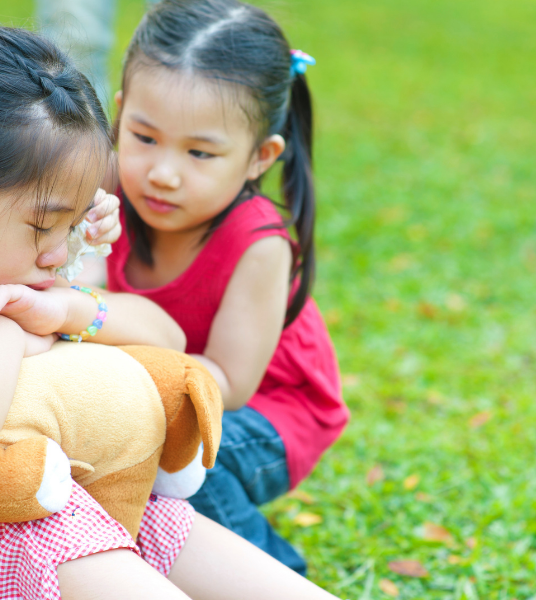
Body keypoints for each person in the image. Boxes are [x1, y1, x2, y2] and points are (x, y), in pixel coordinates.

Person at [0, 23, 338, 600]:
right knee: (18, 516)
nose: (59, 253)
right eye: (43, 226)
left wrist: (58, 308)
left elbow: (168, 339)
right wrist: (5, 329)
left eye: (70, 225)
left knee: (124, 500)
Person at [102, 0, 350, 577]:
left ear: (258, 158)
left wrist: (117, 370)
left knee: (176, 452)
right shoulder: (108, 186)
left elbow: (230, 386)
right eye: (143, 137)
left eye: (199, 153)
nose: (163, 172)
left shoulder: (258, 243)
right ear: (120, 114)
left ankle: (272, 569)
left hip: (273, 413)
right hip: (166, 388)